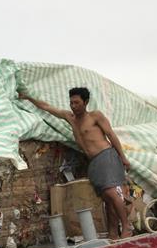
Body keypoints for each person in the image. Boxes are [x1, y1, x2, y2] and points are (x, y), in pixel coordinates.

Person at [19, 87, 132, 239]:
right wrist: (28, 97)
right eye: (71, 102)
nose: (73, 105)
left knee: (111, 192)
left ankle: (126, 227)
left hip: (106, 156)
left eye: (77, 102)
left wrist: (123, 157)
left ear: (85, 102)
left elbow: (111, 135)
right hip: (93, 161)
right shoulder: (70, 117)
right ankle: (113, 233)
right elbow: (47, 107)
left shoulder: (95, 116)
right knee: (106, 197)